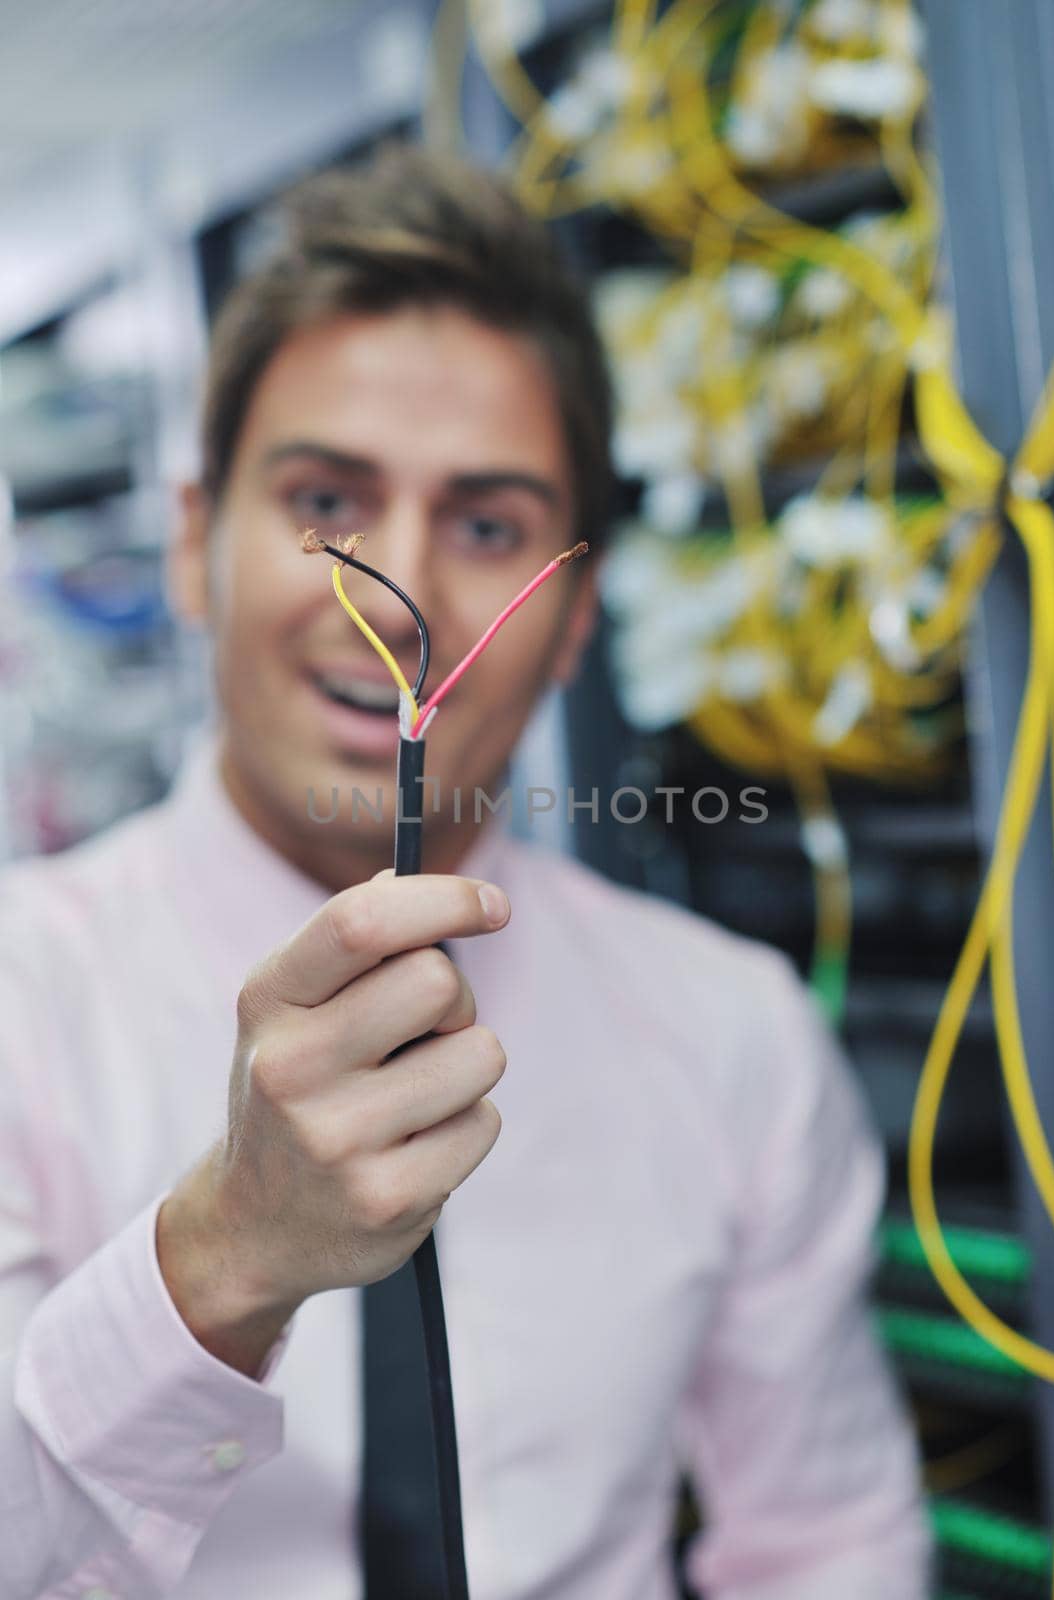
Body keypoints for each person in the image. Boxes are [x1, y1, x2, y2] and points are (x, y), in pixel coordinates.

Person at [0, 144, 931, 1599]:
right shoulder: (20, 997)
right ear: (194, 546)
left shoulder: (736, 1038)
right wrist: (219, 1263)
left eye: (490, 525)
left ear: (573, 626)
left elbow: (830, 1548)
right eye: (329, 500)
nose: (412, 595)